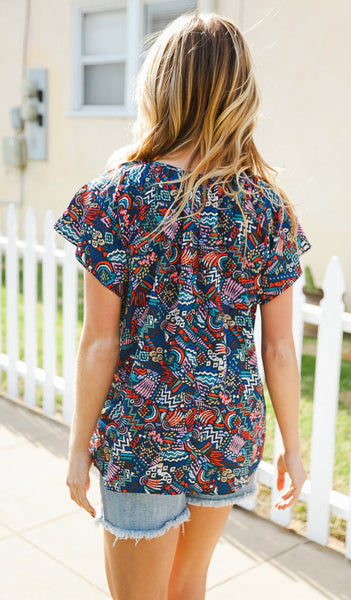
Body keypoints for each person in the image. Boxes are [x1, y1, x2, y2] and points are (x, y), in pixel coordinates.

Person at [53, 11, 312, 600]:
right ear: (240, 94)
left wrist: (77, 447)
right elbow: (278, 345)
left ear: (159, 86)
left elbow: (100, 341)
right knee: (187, 585)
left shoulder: (116, 198)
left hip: (146, 433)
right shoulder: (268, 209)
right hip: (227, 426)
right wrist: (292, 450)